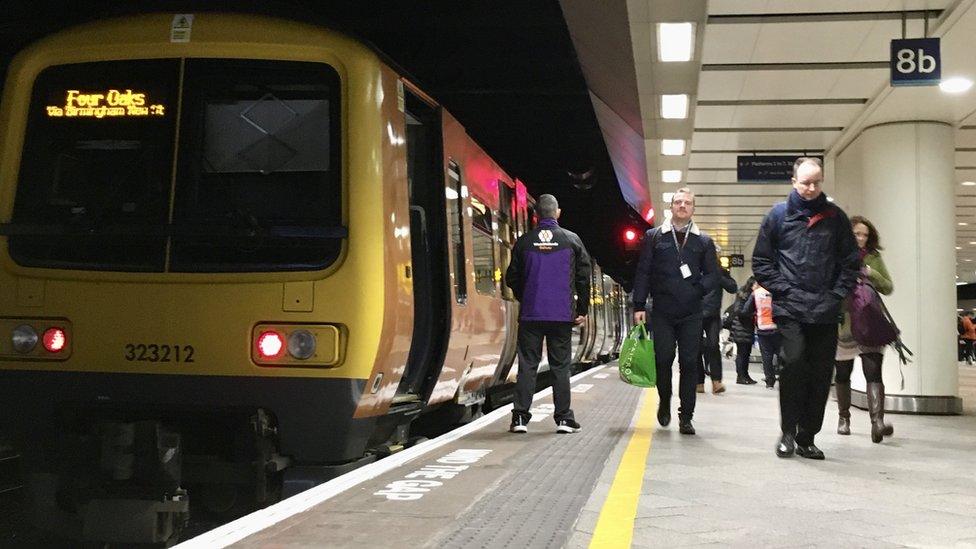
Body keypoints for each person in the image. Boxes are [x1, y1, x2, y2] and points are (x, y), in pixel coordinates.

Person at [752, 157, 859, 460]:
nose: (811, 188)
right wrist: (784, 289)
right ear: (793, 182)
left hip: (825, 309)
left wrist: (836, 294)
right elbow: (761, 262)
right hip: (790, 308)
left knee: (821, 373)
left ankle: (807, 437)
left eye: (817, 182)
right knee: (795, 363)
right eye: (805, 182)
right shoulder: (777, 216)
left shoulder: (835, 218)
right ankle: (787, 432)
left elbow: (850, 263)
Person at [632, 187, 719, 435]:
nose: (682, 206)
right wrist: (639, 305)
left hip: (692, 312)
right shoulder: (655, 236)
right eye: (678, 202)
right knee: (663, 359)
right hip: (662, 311)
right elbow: (643, 272)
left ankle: (686, 416)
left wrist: (698, 290)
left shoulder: (703, 241)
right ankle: (664, 401)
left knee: (690, 362)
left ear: (693, 209)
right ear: (671, 207)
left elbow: (713, 275)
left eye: (687, 203)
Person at [505, 194, 590, 434]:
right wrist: (581, 309)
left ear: (536, 215)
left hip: (531, 315)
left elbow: (512, 277)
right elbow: (583, 278)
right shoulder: (571, 240)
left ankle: (520, 419)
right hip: (562, 316)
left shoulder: (523, 242)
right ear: (558, 213)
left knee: (528, 365)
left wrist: (528, 297)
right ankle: (563, 418)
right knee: (560, 367)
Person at [834, 216, 894, 442]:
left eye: (865, 235)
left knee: (873, 371)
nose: (861, 238)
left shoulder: (873, 257)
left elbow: (888, 286)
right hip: (845, 323)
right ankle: (844, 418)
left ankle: (877, 423)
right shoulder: (837, 256)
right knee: (842, 372)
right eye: (857, 234)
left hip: (869, 320)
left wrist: (871, 273)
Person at [697, 264, 737, 394]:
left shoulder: (719, 271)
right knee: (696, 348)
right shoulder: (693, 266)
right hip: (695, 313)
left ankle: (716, 381)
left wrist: (719, 276)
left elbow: (733, 287)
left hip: (713, 315)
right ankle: (699, 382)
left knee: (713, 345)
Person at [744, 281, 781, 389]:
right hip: (777, 327)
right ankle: (785, 379)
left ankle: (770, 382)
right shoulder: (777, 290)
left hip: (763, 329)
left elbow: (746, 310)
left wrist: (755, 315)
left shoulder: (756, 293)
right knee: (782, 355)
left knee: (766, 356)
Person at [729, 277, 757, 384]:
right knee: (742, 353)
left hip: (746, 327)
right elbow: (739, 311)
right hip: (741, 327)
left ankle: (745, 375)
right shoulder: (744, 294)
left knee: (746, 353)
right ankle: (741, 376)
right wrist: (752, 314)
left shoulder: (746, 294)